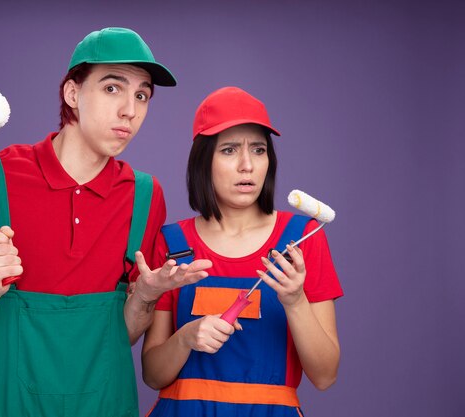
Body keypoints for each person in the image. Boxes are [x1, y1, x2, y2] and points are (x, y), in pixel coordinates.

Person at [0, 27, 211, 417]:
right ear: (73, 93)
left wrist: (144, 297)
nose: (130, 110)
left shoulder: (144, 196)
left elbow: (119, 337)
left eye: (142, 94)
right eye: (113, 88)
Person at [139, 86, 344, 416]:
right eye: (230, 150)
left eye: (259, 150)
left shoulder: (301, 240)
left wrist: (295, 300)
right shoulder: (173, 245)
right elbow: (153, 375)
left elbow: (325, 376)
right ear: (203, 161)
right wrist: (186, 338)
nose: (247, 165)